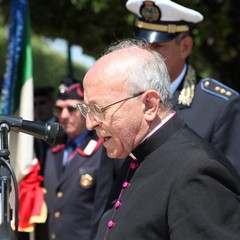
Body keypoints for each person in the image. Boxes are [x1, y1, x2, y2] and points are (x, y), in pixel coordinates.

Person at [77, 39, 240, 239]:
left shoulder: (197, 171)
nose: (90, 124)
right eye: (86, 110)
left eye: (99, 110)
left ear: (149, 105)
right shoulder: (135, 153)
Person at [125, 0, 240, 173]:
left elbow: (229, 184)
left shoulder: (219, 105)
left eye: (157, 46)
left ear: (185, 47)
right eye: (142, 45)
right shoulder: (125, 95)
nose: (146, 55)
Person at [43, 76, 121, 240]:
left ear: (86, 110)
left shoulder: (104, 149)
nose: (63, 116)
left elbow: (106, 207)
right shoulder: (53, 150)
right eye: (58, 109)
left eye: (71, 109)